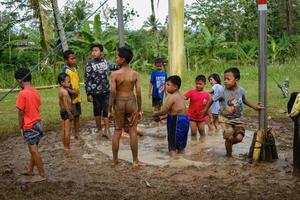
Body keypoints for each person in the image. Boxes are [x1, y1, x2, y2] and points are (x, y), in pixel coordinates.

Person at [212, 67, 264, 157]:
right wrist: (205, 110)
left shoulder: (241, 90)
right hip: (225, 119)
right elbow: (211, 99)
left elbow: (244, 100)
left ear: (236, 80)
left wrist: (255, 107)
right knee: (229, 136)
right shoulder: (222, 91)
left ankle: (229, 143)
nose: (225, 81)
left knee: (239, 138)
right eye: (224, 79)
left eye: (228, 79)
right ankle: (229, 156)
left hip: (238, 119)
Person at [108, 46, 143, 168]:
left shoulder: (115, 74)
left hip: (119, 102)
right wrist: (140, 109)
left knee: (118, 131)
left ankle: (115, 160)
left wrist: (109, 109)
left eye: (117, 56)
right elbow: (138, 92)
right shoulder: (135, 74)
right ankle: (135, 161)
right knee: (133, 130)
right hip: (131, 101)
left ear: (122, 59)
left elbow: (112, 92)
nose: (115, 58)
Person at [15, 68, 46, 182]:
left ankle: (42, 174)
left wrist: (20, 127)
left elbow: (21, 112)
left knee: (33, 150)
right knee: (35, 148)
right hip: (38, 123)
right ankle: (30, 169)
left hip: (29, 125)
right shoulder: (35, 91)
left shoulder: (22, 94)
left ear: (20, 81)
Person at [85, 43, 119, 138]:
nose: (93, 53)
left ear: (101, 52)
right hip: (95, 92)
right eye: (93, 51)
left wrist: (120, 66)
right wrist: (88, 93)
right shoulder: (90, 64)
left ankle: (107, 129)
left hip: (106, 91)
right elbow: (87, 79)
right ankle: (99, 130)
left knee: (106, 109)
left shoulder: (104, 62)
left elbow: (111, 67)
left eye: (96, 50)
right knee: (97, 110)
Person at [153, 75, 190, 156]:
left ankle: (173, 162)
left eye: (168, 85)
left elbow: (164, 111)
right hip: (185, 120)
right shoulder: (181, 96)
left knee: (172, 146)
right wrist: (163, 117)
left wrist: (156, 113)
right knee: (180, 145)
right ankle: (181, 160)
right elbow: (176, 111)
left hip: (176, 121)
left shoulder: (172, 97)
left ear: (175, 87)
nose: (166, 87)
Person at [61, 50, 81, 139]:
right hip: (70, 98)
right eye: (71, 59)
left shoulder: (75, 69)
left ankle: (77, 133)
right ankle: (67, 135)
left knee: (77, 115)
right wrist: (71, 91)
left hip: (77, 97)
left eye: (74, 58)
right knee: (70, 116)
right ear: (66, 60)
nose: (74, 60)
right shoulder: (65, 70)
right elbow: (64, 84)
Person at [58, 73, 74, 151]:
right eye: (68, 81)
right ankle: (67, 147)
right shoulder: (64, 92)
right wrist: (69, 113)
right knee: (67, 130)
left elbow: (60, 103)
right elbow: (65, 103)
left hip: (62, 111)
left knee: (64, 129)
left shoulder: (61, 90)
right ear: (62, 83)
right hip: (67, 112)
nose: (70, 83)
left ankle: (64, 145)